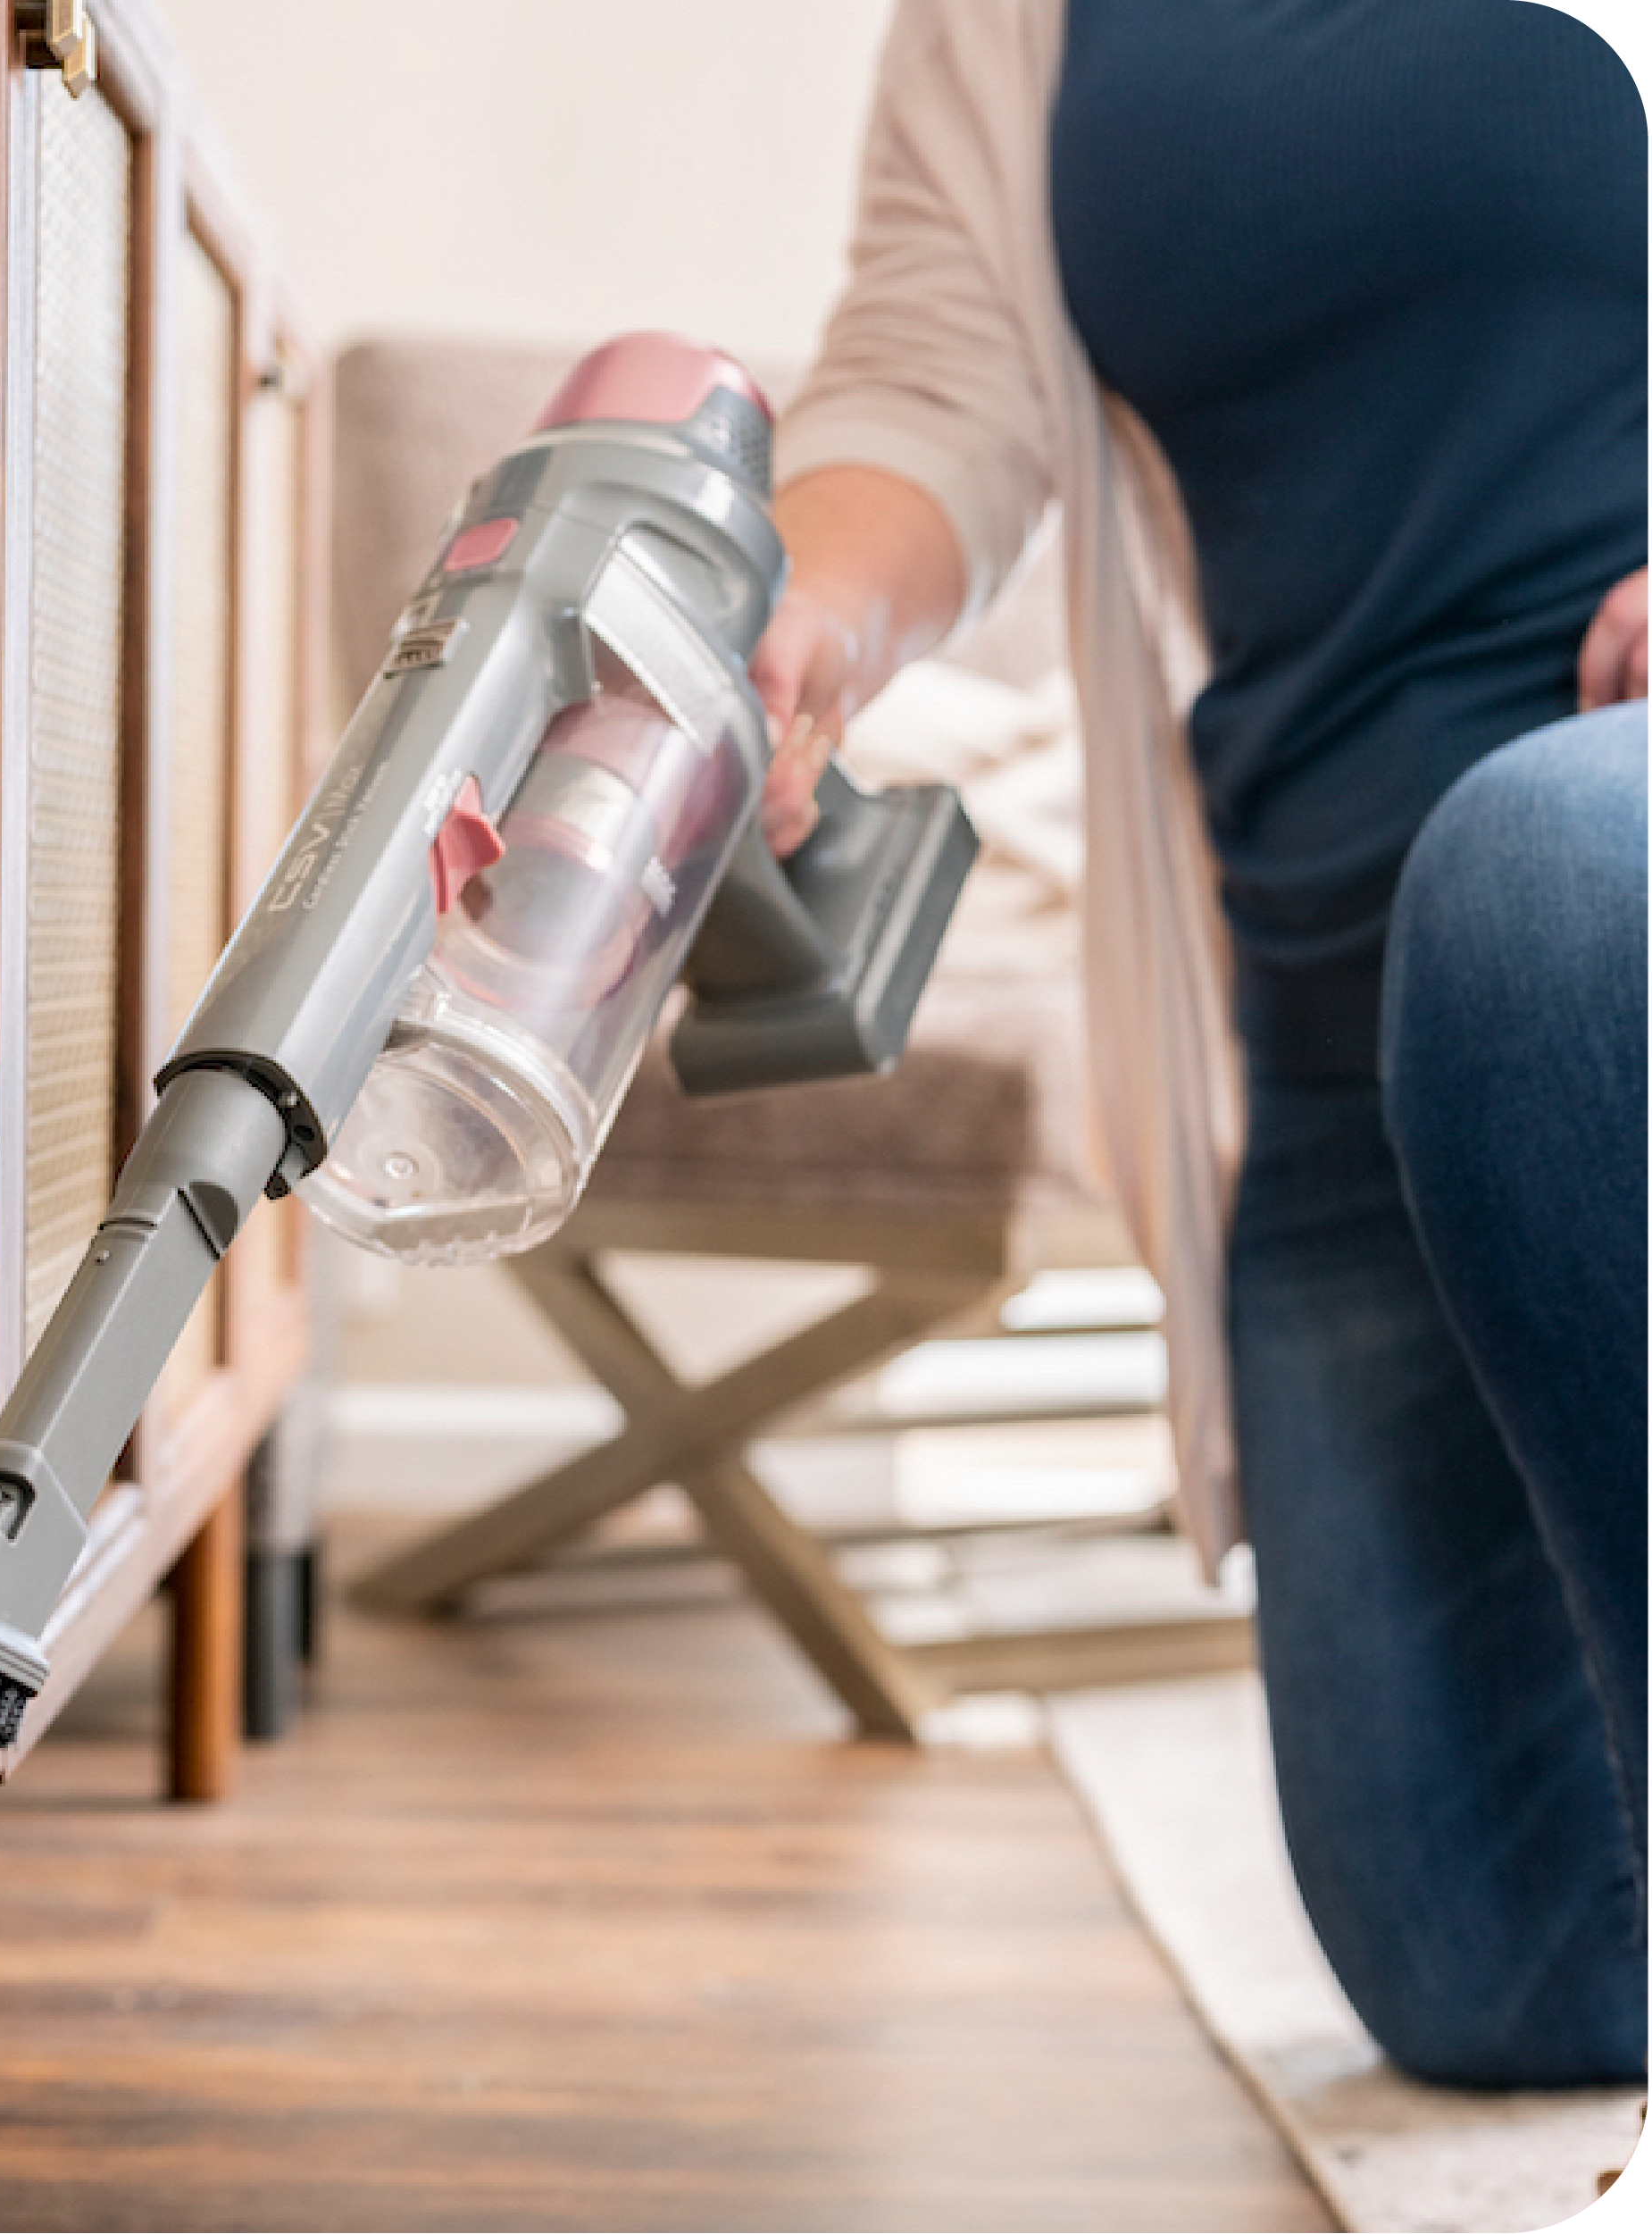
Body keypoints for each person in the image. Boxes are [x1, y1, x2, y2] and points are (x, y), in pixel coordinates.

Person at [750, 0, 1647, 2087]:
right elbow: (932, 379)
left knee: (1530, 874)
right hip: (1324, 1044)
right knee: (1492, 1974)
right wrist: (789, 632)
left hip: (1596, 909)